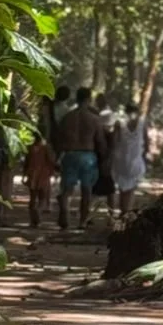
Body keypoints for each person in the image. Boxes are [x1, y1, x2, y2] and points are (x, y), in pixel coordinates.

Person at [56, 87, 110, 230]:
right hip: (88, 156)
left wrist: (57, 157)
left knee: (67, 189)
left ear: (77, 98)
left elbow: (59, 139)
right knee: (86, 190)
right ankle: (82, 221)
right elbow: (101, 141)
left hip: (70, 154)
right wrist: (104, 158)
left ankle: (64, 212)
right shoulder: (94, 119)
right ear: (89, 99)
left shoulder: (67, 118)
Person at [111, 101, 149, 216]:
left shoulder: (119, 123)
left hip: (121, 161)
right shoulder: (143, 124)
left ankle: (123, 212)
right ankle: (126, 213)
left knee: (122, 189)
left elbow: (113, 142)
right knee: (131, 189)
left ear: (126, 112)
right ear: (137, 112)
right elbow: (147, 144)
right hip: (136, 161)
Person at [93, 93, 118, 219]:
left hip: (103, 154)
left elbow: (107, 134)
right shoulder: (107, 113)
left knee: (105, 188)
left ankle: (108, 214)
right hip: (105, 155)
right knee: (107, 189)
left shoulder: (104, 114)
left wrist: (106, 156)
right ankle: (110, 215)